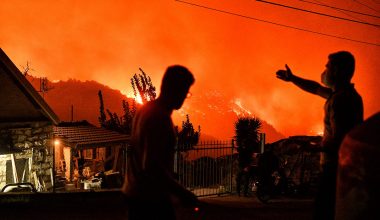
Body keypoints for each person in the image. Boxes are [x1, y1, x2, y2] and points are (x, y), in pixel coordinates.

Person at [276, 51, 363, 220]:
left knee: (325, 212)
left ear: (336, 71)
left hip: (334, 169)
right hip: (340, 168)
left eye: (328, 66)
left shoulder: (340, 101)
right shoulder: (340, 95)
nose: (324, 70)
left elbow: (340, 139)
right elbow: (315, 88)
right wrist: (293, 79)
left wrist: (312, 147)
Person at [122, 65, 198, 220]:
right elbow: (151, 166)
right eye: (185, 91)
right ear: (174, 89)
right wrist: (182, 193)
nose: (185, 96)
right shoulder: (159, 118)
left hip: (134, 193)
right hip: (150, 199)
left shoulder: (144, 110)